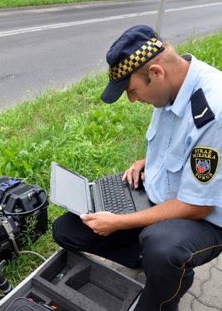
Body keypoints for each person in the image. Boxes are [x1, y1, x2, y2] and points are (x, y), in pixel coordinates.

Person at [52, 25, 222, 311]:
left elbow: (198, 206)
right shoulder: (171, 87)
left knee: (162, 247)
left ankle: (163, 293)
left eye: (132, 91)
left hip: (204, 217)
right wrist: (146, 163)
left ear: (156, 73)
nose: (132, 100)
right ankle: (160, 266)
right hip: (163, 198)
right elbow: (178, 147)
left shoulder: (213, 111)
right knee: (67, 229)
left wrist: (118, 222)